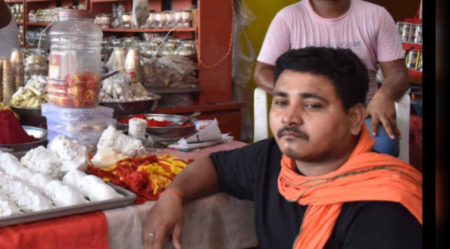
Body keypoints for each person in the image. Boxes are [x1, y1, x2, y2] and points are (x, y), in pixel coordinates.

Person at [143, 47, 422, 249]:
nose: (289, 117)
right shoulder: (275, 158)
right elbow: (215, 167)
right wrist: (173, 194)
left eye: (312, 105)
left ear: (354, 118)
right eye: (281, 102)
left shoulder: (385, 207)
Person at [253, 0, 409, 156]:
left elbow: (397, 74)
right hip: (308, 116)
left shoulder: (376, 15)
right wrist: (301, 99)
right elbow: (262, 73)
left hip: (361, 115)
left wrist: (385, 95)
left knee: (383, 146)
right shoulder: (288, 18)